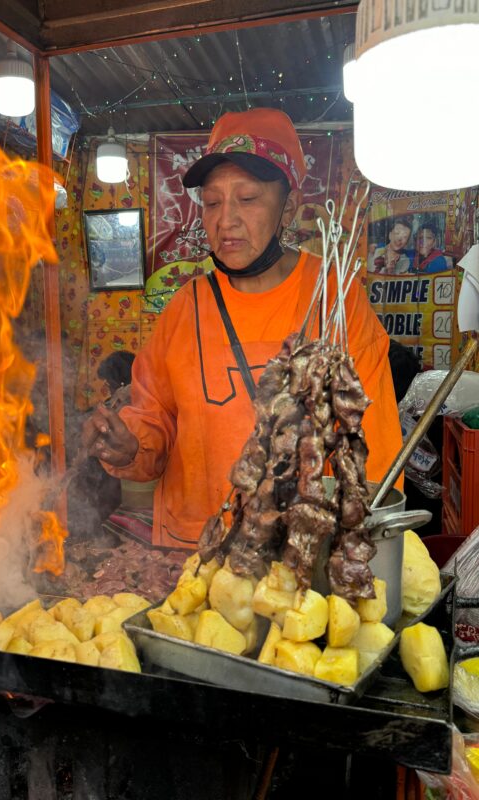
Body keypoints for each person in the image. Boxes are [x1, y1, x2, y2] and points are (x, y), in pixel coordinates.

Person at [83, 108, 403, 548]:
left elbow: (375, 446)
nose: (225, 219)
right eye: (212, 202)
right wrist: (129, 448)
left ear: (288, 207)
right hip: (192, 552)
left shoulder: (335, 299)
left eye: (248, 199)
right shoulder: (184, 308)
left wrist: (358, 552)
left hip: (300, 558)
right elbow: (152, 418)